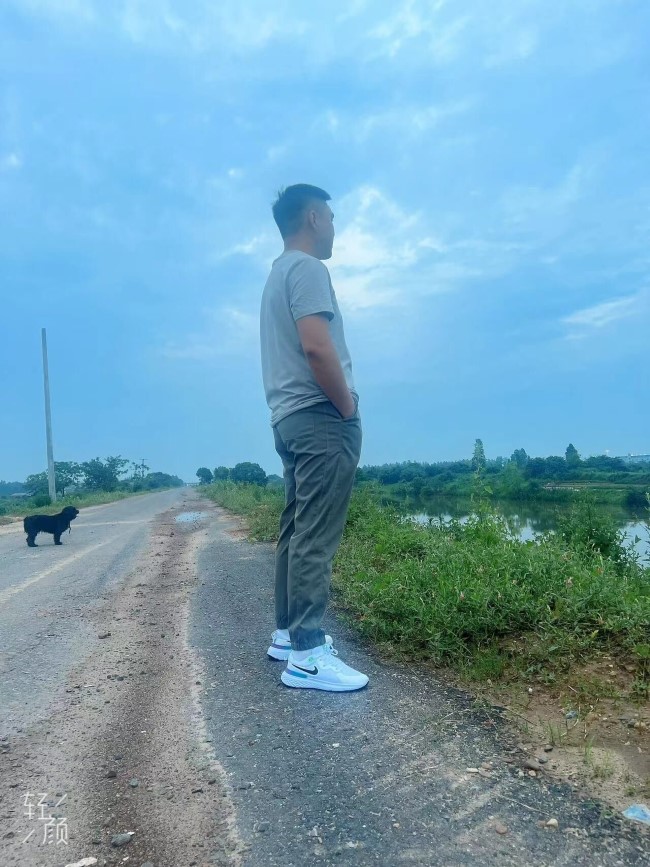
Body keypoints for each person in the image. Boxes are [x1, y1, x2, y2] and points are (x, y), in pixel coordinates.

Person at [259, 184, 368, 692]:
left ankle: (287, 634)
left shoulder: (276, 274)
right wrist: (347, 407)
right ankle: (306, 654)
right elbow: (317, 348)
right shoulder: (307, 269)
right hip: (320, 415)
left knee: (297, 528)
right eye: (331, 216)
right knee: (316, 536)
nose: (334, 226)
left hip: (288, 418)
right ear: (313, 217)